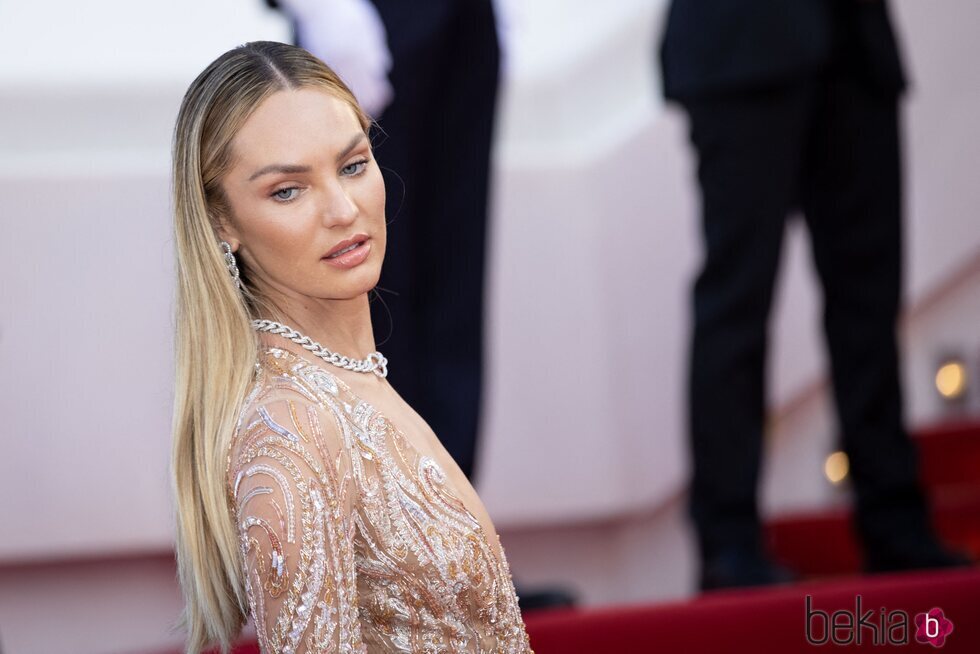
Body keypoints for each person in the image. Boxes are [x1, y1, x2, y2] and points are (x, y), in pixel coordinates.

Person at [170, 41, 533, 653]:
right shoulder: (291, 429)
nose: (343, 210)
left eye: (353, 164)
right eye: (288, 190)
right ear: (221, 222)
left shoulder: (353, 383)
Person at [659, 0, 970, 590]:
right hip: (739, 40)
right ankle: (727, 542)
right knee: (738, 305)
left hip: (853, 39)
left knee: (870, 304)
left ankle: (895, 524)